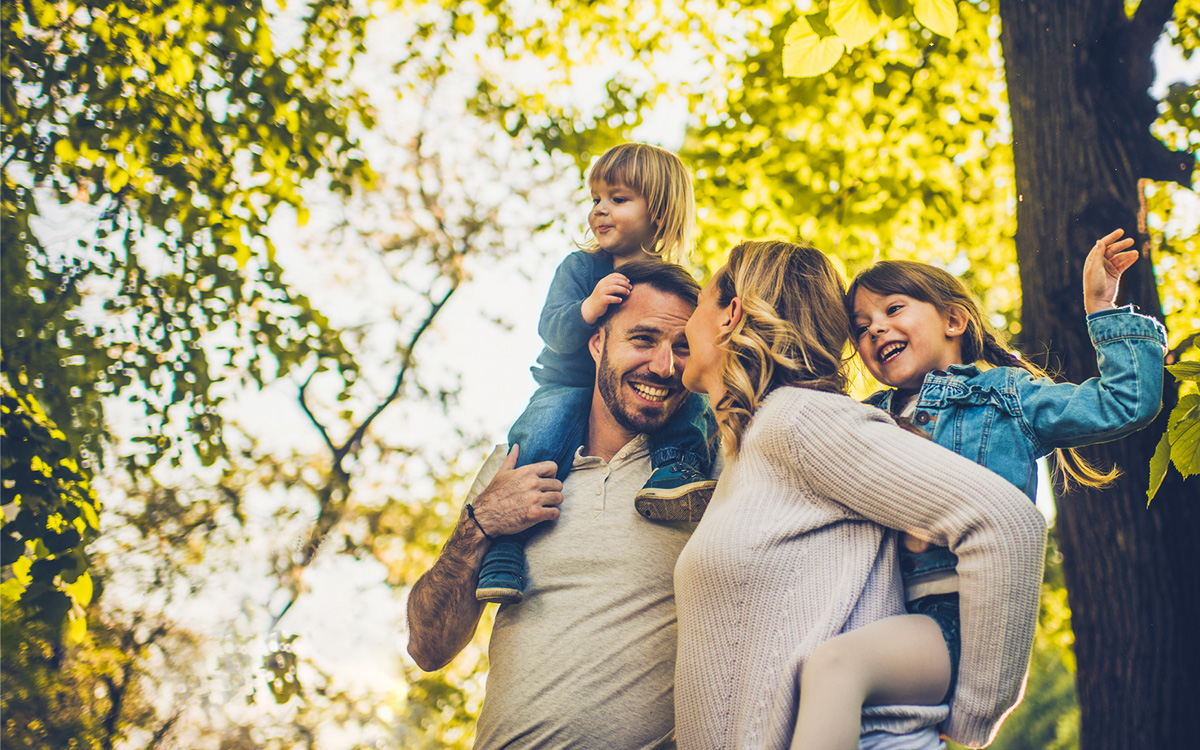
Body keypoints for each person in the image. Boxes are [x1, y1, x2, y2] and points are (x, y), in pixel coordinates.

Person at [790, 228, 1167, 749]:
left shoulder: (1003, 396)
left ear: (953, 319)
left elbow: (1126, 402)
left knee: (835, 667)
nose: (876, 329)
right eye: (861, 327)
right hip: (874, 609)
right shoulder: (863, 417)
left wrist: (1102, 306)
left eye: (893, 309)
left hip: (952, 620)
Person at [672, 240, 1048, 750]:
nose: (682, 328)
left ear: (729, 315)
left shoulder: (798, 419)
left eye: (696, 306)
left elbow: (1005, 522)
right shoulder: (749, 447)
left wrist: (974, 713)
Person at [407, 260, 710, 750]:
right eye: (643, 340)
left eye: (682, 348)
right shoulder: (517, 465)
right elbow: (427, 646)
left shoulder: (705, 473)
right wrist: (481, 523)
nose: (664, 366)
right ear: (597, 344)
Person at [476, 143, 717, 605]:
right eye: (595, 199)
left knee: (694, 402)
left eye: (618, 199)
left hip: (639, 392)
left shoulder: (675, 284)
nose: (599, 210)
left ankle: (675, 470)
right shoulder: (582, 268)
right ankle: (506, 549)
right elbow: (551, 329)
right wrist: (589, 308)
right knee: (540, 435)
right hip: (569, 384)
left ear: (660, 214)